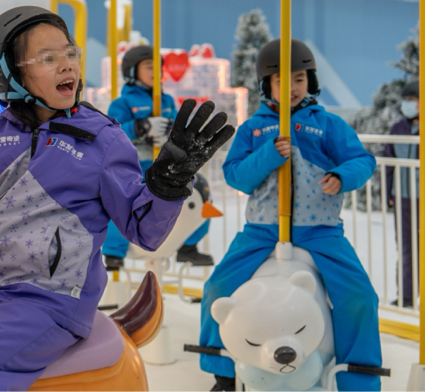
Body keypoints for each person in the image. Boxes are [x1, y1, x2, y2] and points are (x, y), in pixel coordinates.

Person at [0, 6, 234, 391]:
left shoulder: (102, 140)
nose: (67, 65)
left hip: (47, 301)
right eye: (48, 58)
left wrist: (168, 183)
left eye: (70, 53)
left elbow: (145, 231)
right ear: (8, 74)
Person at [199, 39, 379, 392]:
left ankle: (358, 378)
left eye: (299, 78)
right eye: (283, 80)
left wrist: (342, 176)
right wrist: (268, 155)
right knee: (217, 287)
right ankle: (222, 369)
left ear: (310, 80)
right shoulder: (253, 129)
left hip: (321, 231)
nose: (293, 87)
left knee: (359, 297)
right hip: (261, 231)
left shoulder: (327, 125)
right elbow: (236, 176)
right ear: (267, 84)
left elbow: (362, 160)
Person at [102, 45, 214, 268]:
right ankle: (114, 251)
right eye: (148, 66)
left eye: (158, 67)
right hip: (135, 167)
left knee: (199, 194)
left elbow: (178, 126)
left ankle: (188, 246)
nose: (156, 71)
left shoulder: (167, 101)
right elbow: (112, 133)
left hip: (165, 165)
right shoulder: (122, 104)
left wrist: (172, 133)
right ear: (132, 71)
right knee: (120, 202)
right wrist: (140, 127)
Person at [385, 79, 420, 308]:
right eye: (405, 100)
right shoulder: (398, 128)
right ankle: (406, 296)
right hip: (403, 197)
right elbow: (388, 162)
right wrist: (388, 192)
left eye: (412, 100)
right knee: (406, 247)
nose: (407, 104)